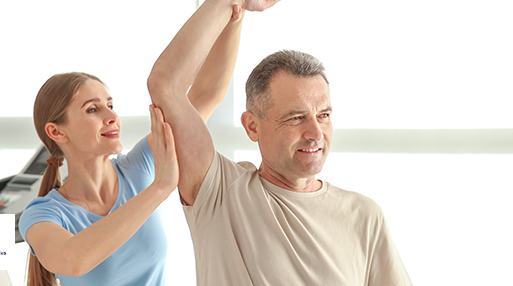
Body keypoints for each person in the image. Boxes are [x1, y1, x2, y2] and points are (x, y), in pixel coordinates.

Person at [147, 1, 413, 285]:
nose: (315, 132)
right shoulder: (219, 193)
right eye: (296, 118)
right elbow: (166, 83)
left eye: (323, 115)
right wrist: (226, 2)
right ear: (252, 126)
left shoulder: (364, 215)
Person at [18, 5, 246, 286]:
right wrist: (159, 188)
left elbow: (206, 95)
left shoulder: (137, 167)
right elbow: (72, 262)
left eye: (110, 105)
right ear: (56, 131)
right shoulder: (43, 214)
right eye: (92, 110)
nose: (112, 117)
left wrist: (235, 15)